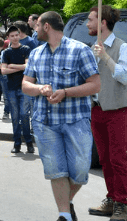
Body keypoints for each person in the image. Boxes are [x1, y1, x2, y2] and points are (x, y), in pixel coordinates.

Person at [22, 11, 100, 221]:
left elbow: (95, 84)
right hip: (45, 122)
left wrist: (65, 92)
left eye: (37, 26)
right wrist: (39, 89)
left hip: (76, 120)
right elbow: (25, 85)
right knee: (56, 171)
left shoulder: (80, 50)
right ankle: (64, 214)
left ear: (46, 26)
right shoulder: (36, 53)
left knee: (80, 171)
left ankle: (67, 201)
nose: (35, 30)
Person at [86, 6, 127, 221]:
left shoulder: (123, 47)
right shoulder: (91, 47)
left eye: (90, 20)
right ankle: (111, 198)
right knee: (105, 159)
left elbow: (124, 76)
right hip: (97, 110)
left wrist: (105, 56)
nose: (87, 24)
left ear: (103, 23)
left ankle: (121, 204)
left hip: (117, 110)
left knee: (117, 159)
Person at [0, 25, 33, 154]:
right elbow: (3, 70)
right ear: (8, 38)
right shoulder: (6, 52)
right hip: (11, 87)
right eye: (12, 36)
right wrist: (19, 67)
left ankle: (29, 143)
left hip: (24, 86)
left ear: (19, 35)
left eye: (16, 35)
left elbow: (28, 66)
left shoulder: (26, 49)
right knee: (15, 116)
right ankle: (17, 143)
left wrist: (12, 66)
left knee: (25, 115)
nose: (14, 38)